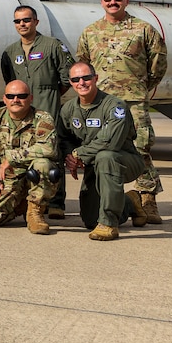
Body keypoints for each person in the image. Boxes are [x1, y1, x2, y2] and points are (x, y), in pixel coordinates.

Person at [75, 0, 167, 223]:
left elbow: (158, 65)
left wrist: (138, 87)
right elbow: (83, 67)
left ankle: (148, 200)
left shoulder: (143, 29)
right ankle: (106, 201)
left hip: (132, 101)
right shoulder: (90, 32)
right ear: (101, 2)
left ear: (126, 1)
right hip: (102, 103)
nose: (112, 2)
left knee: (141, 147)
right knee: (102, 149)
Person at [59, 62, 147, 241]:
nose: (81, 83)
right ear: (71, 83)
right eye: (76, 79)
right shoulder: (68, 109)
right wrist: (70, 156)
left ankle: (109, 224)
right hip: (93, 164)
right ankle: (130, 202)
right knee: (91, 220)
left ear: (96, 78)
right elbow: (64, 138)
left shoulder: (116, 106)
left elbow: (110, 143)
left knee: (105, 156)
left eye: (86, 78)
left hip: (124, 160)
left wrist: (78, 154)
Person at [0, 4, 72, 217]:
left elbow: (66, 77)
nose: (22, 24)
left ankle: (57, 203)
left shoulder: (53, 45)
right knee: (23, 151)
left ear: (36, 22)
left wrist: (49, 95)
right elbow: (10, 82)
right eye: (18, 21)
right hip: (22, 110)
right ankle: (27, 199)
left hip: (47, 106)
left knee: (52, 154)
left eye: (26, 20)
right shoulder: (10, 52)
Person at [0, 83, 57, 234]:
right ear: (4, 99)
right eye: (11, 96)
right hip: (10, 180)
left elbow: (48, 148)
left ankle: (35, 211)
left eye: (22, 96)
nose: (16, 100)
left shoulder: (42, 118)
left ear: (30, 98)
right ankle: (20, 205)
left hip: (34, 179)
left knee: (43, 163)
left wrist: (11, 157)